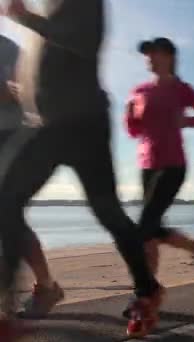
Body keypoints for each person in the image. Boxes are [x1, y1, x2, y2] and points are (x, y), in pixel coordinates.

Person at [0, 0, 163, 338]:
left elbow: (84, 41)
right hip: (46, 123)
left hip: (83, 121)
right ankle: (5, 312)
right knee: (6, 199)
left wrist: (23, 17)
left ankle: (147, 290)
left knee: (107, 212)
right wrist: (24, 90)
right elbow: (48, 61)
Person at [124, 37, 194, 277]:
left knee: (145, 226)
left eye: (155, 53)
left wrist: (187, 121)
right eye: (147, 54)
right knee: (151, 229)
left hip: (173, 164)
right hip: (146, 165)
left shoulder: (181, 89)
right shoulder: (139, 91)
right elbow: (133, 132)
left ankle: (145, 291)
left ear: (170, 58)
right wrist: (129, 116)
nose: (149, 58)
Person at [0, 32, 64, 320]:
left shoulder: (9, 48)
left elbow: (27, 91)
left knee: (9, 215)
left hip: (11, 137)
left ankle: (45, 286)